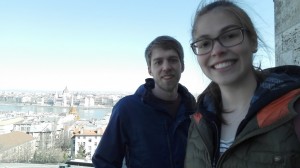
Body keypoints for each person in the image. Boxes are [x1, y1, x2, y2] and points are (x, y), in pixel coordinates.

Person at [184, 1, 300, 168]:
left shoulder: (294, 111)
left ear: (253, 41)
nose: (217, 50)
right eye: (205, 44)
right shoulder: (198, 122)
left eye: (230, 35)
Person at [92, 35, 196, 168]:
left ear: (182, 66)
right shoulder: (127, 109)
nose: (166, 67)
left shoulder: (192, 107)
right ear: (149, 70)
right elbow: (104, 162)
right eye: (158, 62)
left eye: (173, 60)